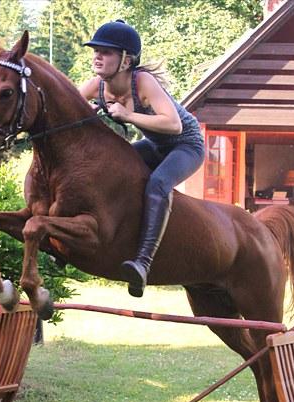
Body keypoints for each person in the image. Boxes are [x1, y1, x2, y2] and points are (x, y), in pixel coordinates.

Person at [79, 20, 205, 298]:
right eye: (96, 51)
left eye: (106, 52)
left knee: (158, 184)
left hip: (187, 146)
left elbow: (174, 126)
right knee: (108, 168)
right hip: (155, 145)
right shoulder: (96, 85)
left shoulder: (143, 81)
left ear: (126, 60)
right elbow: (69, 107)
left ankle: (143, 263)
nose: (97, 56)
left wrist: (127, 115)